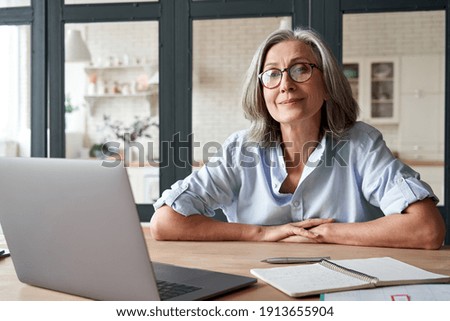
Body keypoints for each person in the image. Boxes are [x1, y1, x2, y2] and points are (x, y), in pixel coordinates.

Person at [150, 27, 446, 249]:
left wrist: (324, 233)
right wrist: (262, 234)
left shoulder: (361, 143)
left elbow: (427, 229)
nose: (286, 84)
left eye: (300, 69)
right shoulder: (240, 150)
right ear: (261, 91)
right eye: (272, 74)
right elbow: (165, 222)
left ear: (327, 85)